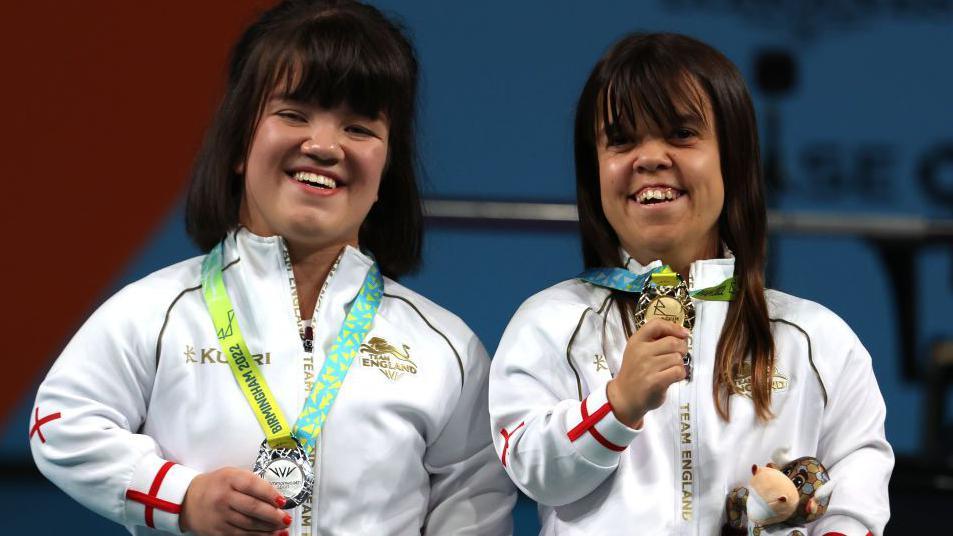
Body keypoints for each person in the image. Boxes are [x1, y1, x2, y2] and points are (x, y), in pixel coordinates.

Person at [30, 1, 515, 534]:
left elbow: (474, 501)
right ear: (240, 141)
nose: (324, 146)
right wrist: (181, 497)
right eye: (293, 113)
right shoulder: (156, 311)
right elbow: (60, 425)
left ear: (387, 168)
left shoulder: (446, 348)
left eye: (359, 127)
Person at [488, 32, 892, 535]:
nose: (650, 158)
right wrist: (615, 406)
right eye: (621, 139)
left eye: (681, 134)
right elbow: (530, 471)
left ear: (734, 159)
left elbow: (859, 475)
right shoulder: (550, 323)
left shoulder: (817, 340)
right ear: (594, 172)